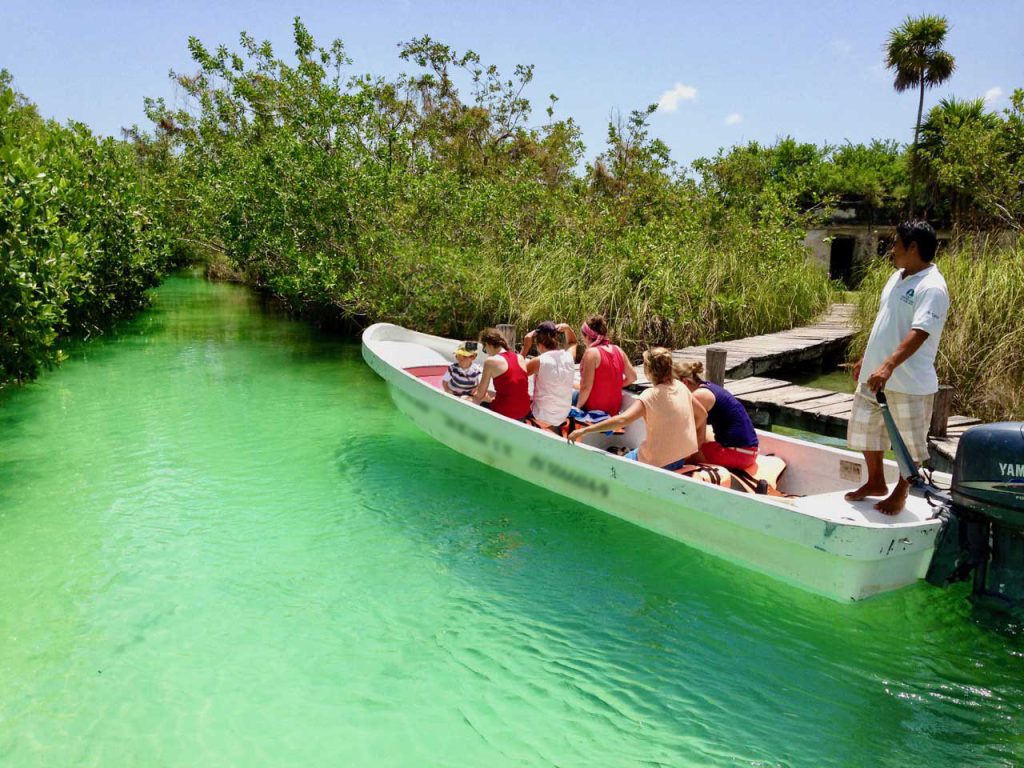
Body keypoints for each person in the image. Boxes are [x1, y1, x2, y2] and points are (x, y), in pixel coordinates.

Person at [845, 220, 949, 514]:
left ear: (912, 247)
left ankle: (902, 492)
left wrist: (889, 366)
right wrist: (869, 358)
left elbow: (920, 331)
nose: (891, 250)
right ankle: (876, 481)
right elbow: (887, 323)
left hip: (908, 382)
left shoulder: (932, 286)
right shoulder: (897, 277)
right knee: (866, 429)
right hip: (875, 375)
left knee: (908, 442)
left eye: (895, 244)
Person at [568, 347, 702, 471]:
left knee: (613, 468)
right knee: (634, 452)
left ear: (648, 371)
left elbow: (622, 419)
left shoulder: (650, 395)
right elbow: (702, 414)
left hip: (657, 461)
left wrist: (585, 430)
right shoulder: (681, 386)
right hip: (680, 458)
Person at [674, 360, 759, 470]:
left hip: (738, 454)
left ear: (684, 382)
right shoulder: (707, 387)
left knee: (687, 455)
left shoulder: (699, 396)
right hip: (749, 452)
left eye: (672, 384)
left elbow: (695, 441)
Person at [575, 314, 637, 415]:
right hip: (614, 409)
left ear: (587, 336)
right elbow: (632, 377)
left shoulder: (591, 353)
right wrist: (611, 386)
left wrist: (577, 408)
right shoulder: (618, 350)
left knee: (571, 398)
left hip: (595, 409)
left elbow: (586, 387)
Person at [522, 321, 577, 430]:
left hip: (541, 416)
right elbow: (573, 342)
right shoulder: (569, 357)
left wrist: (525, 348)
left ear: (540, 346)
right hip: (562, 416)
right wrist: (568, 328)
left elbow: (514, 373)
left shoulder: (538, 361)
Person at [471, 328, 532, 421]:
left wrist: (476, 394)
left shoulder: (491, 361)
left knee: (470, 400)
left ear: (487, 344)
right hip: (524, 410)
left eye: (484, 349)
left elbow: (480, 394)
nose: (486, 352)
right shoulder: (519, 357)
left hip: (505, 413)